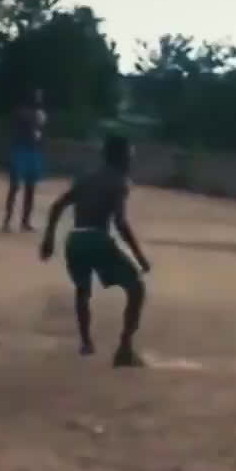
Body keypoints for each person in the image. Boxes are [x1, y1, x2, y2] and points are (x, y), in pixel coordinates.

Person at [39, 134, 151, 367]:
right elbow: (120, 223)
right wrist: (139, 256)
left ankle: (86, 342)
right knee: (136, 288)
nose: (132, 160)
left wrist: (48, 239)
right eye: (130, 155)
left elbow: (58, 205)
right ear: (121, 157)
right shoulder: (119, 181)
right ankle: (125, 348)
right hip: (97, 239)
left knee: (82, 290)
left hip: (75, 240)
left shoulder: (86, 178)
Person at [3, 88, 47, 232]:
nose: (39, 99)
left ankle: (25, 221)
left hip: (34, 151)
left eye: (40, 96)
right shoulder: (21, 112)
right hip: (21, 150)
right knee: (15, 186)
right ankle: (7, 220)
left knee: (30, 187)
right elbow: (20, 129)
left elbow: (40, 133)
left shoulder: (39, 114)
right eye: (36, 96)